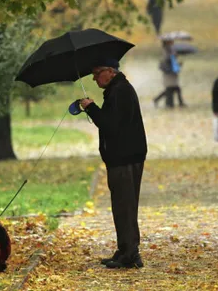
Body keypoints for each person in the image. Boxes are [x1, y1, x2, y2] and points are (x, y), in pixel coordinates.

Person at [80, 59, 147, 269]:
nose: (94, 78)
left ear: (110, 71)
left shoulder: (120, 91)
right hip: (123, 156)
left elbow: (110, 125)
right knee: (122, 205)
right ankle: (125, 249)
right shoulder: (116, 90)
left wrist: (91, 109)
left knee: (124, 206)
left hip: (125, 157)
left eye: (97, 73)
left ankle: (130, 253)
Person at [153, 39, 186, 108]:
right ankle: (172, 103)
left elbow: (173, 61)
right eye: (171, 41)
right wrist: (173, 56)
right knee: (172, 89)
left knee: (173, 89)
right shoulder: (166, 51)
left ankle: (158, 100)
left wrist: (178, 64)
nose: (173, 42)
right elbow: (167, 61)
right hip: (169, 73)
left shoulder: (171, 50)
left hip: (172, 73)